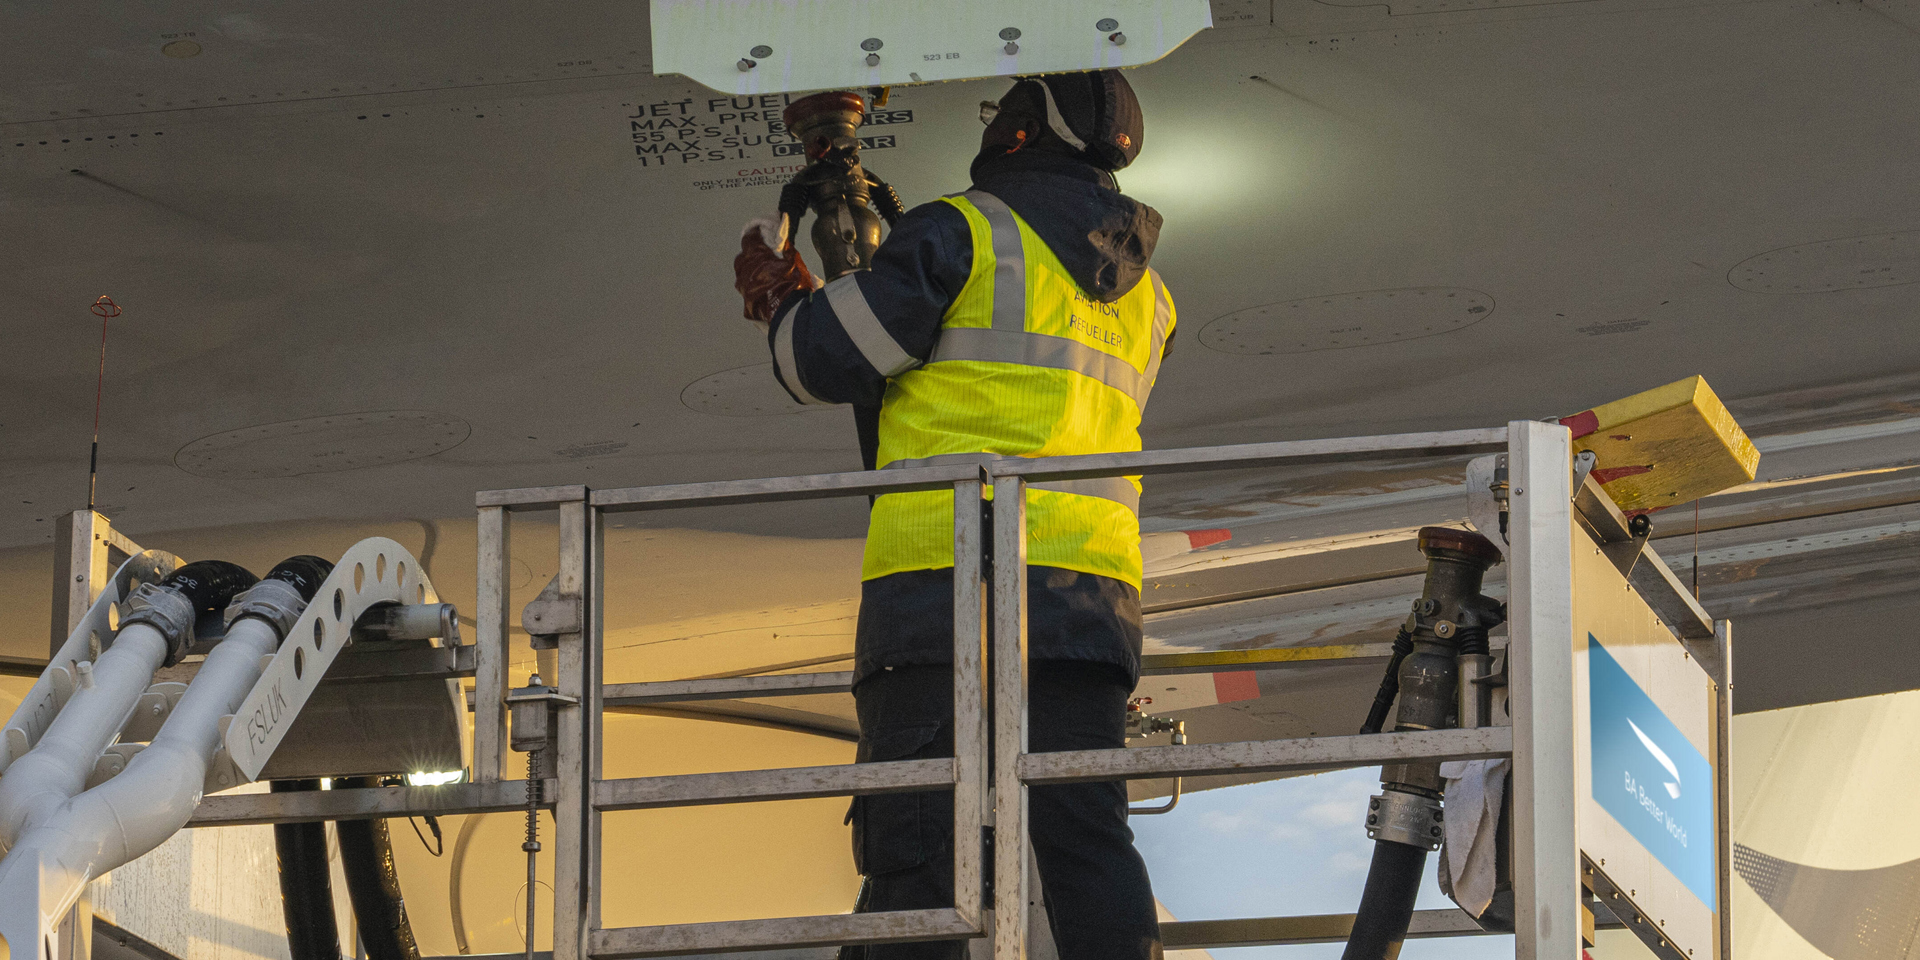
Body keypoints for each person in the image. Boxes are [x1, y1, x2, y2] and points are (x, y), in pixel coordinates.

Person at [732, 70, 1174, 960]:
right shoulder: (1146, 295)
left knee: (919, 847)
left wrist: (780, 298)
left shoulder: (964, 229)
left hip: (945, 586)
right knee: (1086, 839)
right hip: (1088, 601)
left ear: (1021, 130)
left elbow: (823, 360)